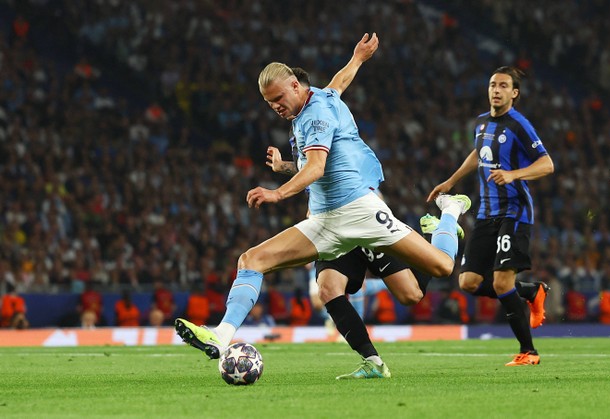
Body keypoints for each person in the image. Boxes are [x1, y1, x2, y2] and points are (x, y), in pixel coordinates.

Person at [175, 34, 471, 371]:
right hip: (325, 219)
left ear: (295, 85)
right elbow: (338, 84)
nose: (276, 107)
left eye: (279, 98)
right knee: (255, 260)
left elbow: (316, 167)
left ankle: (449, 213)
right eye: (269, 103)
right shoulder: (319, 100)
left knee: (440, 270)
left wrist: (277, 191)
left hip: (359, 211)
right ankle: (221, 335)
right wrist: (357, 58)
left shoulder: (314, 117)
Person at [426, 66, 554, 366]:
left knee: (499, 283)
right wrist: (451, 181)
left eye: (503, 86)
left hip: (514, 211)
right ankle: (532, 292)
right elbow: (477, 152)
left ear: (514, 93)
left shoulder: (520, 125)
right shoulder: (482, 123)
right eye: (493, 85)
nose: (496, 90)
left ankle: (529, 352)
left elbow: (547, 164)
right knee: (468, 282)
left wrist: (514, 174)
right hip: (486, 213)